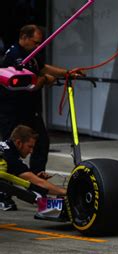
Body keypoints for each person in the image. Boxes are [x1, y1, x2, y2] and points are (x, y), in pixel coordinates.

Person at [0, 24, 83, 175]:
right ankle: (7, 185)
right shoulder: (14, 56)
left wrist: (67, 73)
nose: (38, 46)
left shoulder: (31, 52)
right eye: (35, 42)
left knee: (41, 142)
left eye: (40, 43)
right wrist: (45, 79)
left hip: (30, 109)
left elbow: (42, 67)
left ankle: (38, 175)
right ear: (24, 37)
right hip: (13, 110)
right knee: (10, 147)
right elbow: (31, 84)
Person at [0, 125, 66, 211]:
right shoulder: (10, 157)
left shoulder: (6, 149)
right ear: (19, 142)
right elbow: (38, 183)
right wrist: (64, 192)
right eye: (29, 146)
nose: (31, 151)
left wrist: (34, 178)